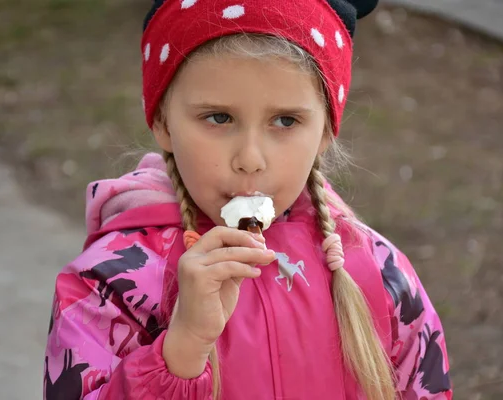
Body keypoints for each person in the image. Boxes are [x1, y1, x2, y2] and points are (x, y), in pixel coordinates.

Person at [43, 0, 453, 398]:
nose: (250, 160)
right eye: (219, 118)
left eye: (285, 121)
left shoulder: (381, 275)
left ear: (326, 131)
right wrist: (182, 349)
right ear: (163, 122)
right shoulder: (112, 283)